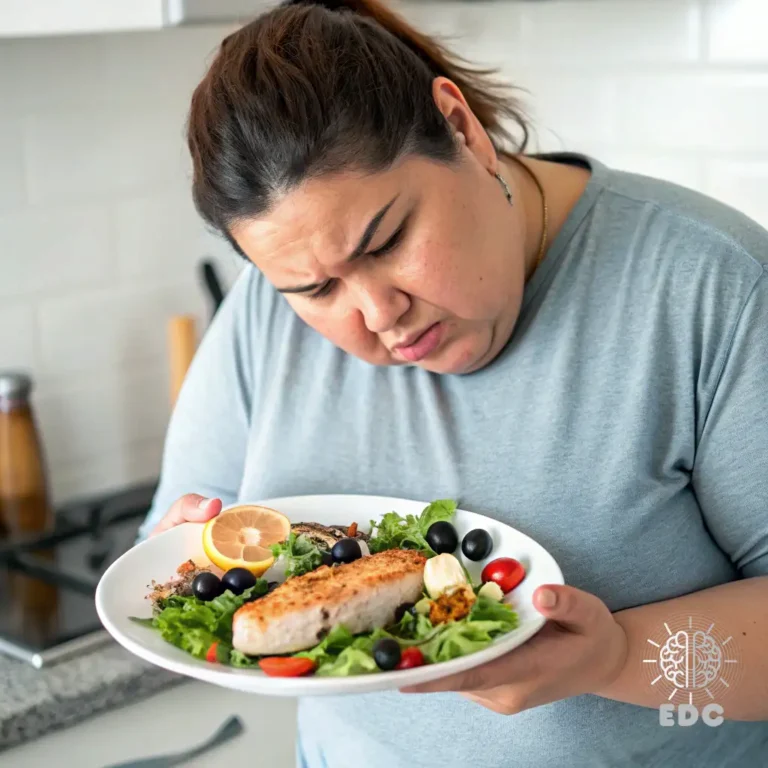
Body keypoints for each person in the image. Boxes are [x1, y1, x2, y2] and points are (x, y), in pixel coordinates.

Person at [138, 0, 768, 765]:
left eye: (388, 240)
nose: (376, 314)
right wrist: (181, 564)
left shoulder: (713, 288)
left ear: (462, 130)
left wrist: (617, 657)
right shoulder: (261, 315)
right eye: (315, 292)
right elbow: (174, 551)